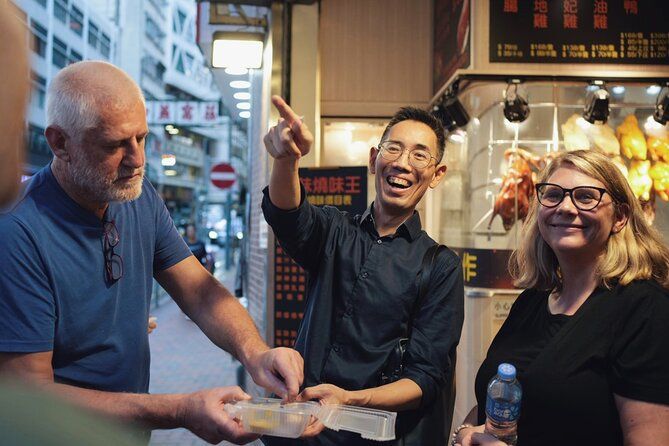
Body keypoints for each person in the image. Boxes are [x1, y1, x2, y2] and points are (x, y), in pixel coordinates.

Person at [0, 61, 304, 445]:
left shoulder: (136, 198)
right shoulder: (17, 231)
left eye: (141, 138)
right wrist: (179, 410)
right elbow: (30, 394)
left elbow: (199, 291)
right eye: (114, 145)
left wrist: (256, 353)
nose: (137, 159)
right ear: (60, 143)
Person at [262, 96, 464, 445]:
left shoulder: (440, 266)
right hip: (303, 432)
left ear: (436, 174)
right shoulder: (334, 231)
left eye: (419, 155)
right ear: (374, 160)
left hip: (373, 438)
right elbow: (287, 214)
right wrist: (286, 158)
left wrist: (350, 399)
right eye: (393, 149)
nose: (403, 163)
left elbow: (424, 379)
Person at [453, 150, 669, 446]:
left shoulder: (645, 310)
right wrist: (467, 432)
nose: (566, 207)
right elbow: (497, 400)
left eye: (585, 197)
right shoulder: (533, 300)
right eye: (553, 195)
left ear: (619, 217)